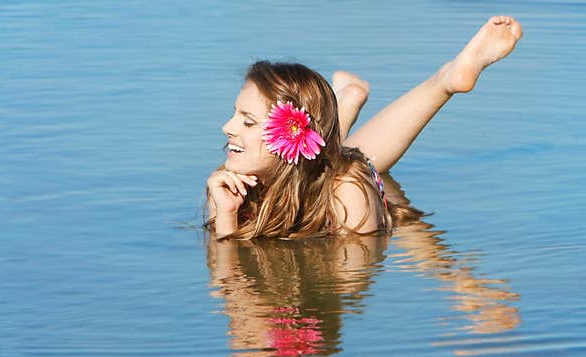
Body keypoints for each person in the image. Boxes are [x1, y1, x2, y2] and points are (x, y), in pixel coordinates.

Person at [204, 16, 523, 241]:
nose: (226, 127)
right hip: (304, 158)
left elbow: (349, 287)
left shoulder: (347, 191)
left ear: (287, 132)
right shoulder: (228, 185)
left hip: (350, 182)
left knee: (351, 159)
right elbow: (227, 289)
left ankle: (445, 81)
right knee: (323, 147)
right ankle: (348, 100)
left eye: (247, 120)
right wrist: (228, 218)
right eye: (235, 114)